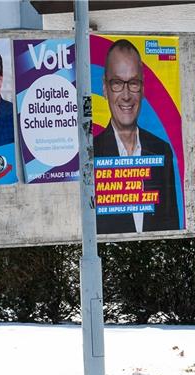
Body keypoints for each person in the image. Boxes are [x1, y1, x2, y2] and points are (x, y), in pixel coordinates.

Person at [94, 39, 179, 233]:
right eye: (117, 83)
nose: (126, 95)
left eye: (133, 83)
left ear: (142, 88)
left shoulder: (162, 150)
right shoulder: (91, 154)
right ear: (105, 88)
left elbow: (171, 224)